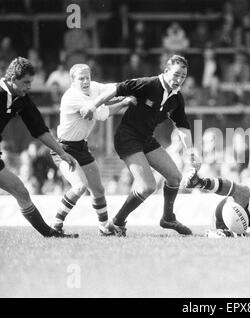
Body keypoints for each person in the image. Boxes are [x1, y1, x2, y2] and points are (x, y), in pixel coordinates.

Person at [80, 55, 197, 236]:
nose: (179, 79)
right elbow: (116, 89)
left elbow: (182, 126)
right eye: (176, 75)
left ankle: (168, 218)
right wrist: (92, 106)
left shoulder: (177, 98)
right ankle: (116, 223)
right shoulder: (148, 84)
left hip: (146, 139)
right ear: (166, 72)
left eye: (183, 76)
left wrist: (190, 152)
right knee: (147, 186)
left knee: (175, 177)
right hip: (127, 137)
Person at [50, 64, 137, 236]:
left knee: (98, 190)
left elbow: (114, 88)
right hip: (63, 149)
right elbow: (101, 114)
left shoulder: (93, 87)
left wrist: (135, 86)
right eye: (81, 78)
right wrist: (125, 102)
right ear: (72, 81)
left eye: (87, 77)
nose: (85, 81)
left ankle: (104, 227)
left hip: (81, 146)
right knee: (79, 187)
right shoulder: (72, 97)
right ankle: (55, 226)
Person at [0, 57, 78, 238]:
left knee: (20, 191)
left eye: (30, 82)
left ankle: (50, 234)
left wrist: (62, 153)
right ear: (12, 79)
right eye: (25, 82)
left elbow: (39, 129)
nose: (29, 87)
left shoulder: (21, 99)